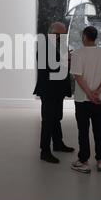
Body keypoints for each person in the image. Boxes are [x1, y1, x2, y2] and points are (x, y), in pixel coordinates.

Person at [70, 26, 101, 173]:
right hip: (99, 99)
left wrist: (88, 93)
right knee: (99, 130)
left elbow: (78, 76)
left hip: (82, 100)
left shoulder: (78, 53)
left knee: (83, 130)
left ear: (84, 37)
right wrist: (97, 92)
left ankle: (84, 160)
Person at [34, 22, 74, 164]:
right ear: (51, 33)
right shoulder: (44, 46)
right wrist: (65, 61)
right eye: (58, 34)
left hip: (58, 89)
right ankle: (45, 151)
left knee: (56, 117)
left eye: (63, 34)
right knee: (48, 120)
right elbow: (49, 67)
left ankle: (58, 143)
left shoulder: (59, 46)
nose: (61, 37)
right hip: (49, 90)